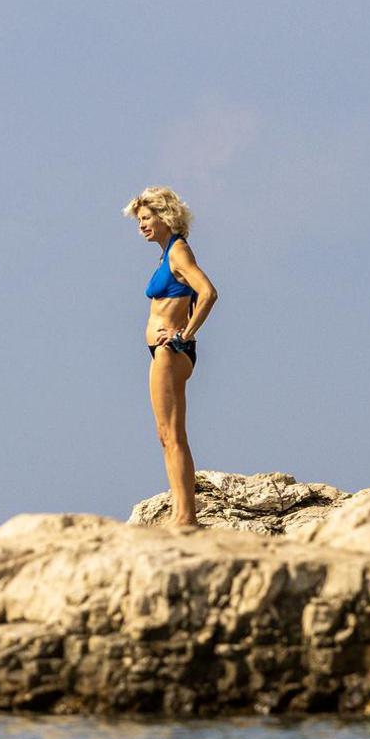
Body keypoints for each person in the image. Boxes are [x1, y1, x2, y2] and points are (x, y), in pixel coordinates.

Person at [123, 186, 218, 527]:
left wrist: (184, 334)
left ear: (165, 218)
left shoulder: (179, 252)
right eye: (139, 221)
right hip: (166, 351)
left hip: (170, 351)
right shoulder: (167, 253)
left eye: (146, 219)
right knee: (168, 436)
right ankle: (183, 513)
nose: (141, 226)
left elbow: (208, 292)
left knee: (171, 436)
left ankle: (184, 516)